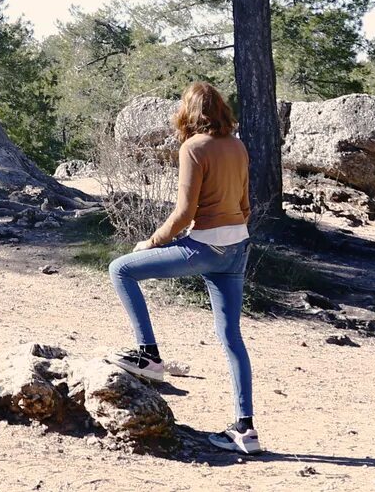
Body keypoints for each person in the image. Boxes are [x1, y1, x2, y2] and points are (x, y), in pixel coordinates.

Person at [106, 80, 260, 455]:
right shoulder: (238, 146)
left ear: (188, 114)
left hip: (204, 247)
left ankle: (149, 356)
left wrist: (152, 241)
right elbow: (245, 206)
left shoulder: (193, 148)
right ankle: (245, 430)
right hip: (237, 248)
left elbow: (184, 213)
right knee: (232, 339)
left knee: (121, 269)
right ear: (221, 109)